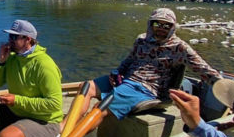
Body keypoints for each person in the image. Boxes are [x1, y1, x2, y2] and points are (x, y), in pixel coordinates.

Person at [81, 8, 220, 126]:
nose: (161, 29)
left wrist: (224, 88)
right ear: (150, 24)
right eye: (157, 24)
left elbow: (204, 69)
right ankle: (65, 127)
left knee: (100, 108)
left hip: (145, 89)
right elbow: (129, 60)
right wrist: (117, 73)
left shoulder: (179, 48)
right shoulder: (141, 40)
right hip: (125, 80)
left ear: (172, 28)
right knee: (86, 87)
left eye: (166, 26)